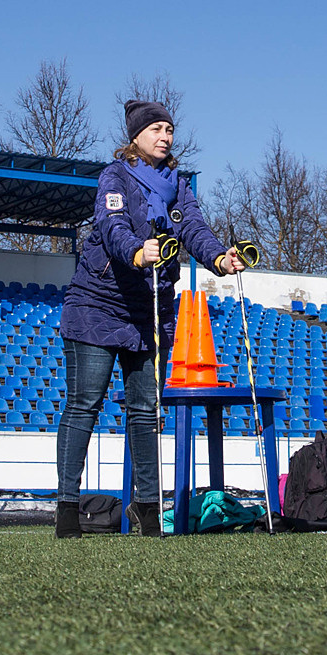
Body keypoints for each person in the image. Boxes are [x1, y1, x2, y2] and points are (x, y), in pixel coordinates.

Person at [53, 99, 247, 539]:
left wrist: (219, 258)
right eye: (157, 129)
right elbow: (112, 225)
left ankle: (146, 507)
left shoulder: (178, 184)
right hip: (97, 306)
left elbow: (194, 227)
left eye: (169, 129)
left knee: (145, 411)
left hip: (151, 311)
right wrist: (139, 252)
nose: (165, 137)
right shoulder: (114, 176)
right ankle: (66, 507)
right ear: (136, 136)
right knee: (84, 405)